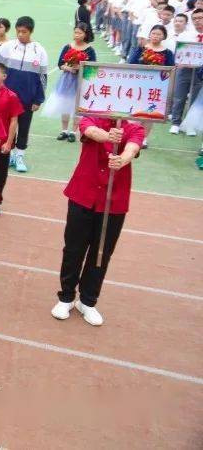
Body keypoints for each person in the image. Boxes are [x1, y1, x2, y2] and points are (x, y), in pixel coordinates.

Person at [52, 116, 145, 327]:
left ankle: (87, 301)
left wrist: (123, 159)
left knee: (101, 253)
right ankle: (66, 297)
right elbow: (89, 130)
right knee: (73, 250)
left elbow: (133, 146)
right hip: (82, 195)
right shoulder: (92, 118)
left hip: (114, 201)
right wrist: (108, 136)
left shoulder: (134, 128)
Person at [0, 16, 47, 173]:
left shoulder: (39, 51)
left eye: (24, 32)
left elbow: (43, 78)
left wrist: (39, 99)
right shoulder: (9, 46)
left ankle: (20, 156)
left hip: (27, 100)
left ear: (31, 31)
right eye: (18, 31)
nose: (21, 35)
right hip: (7, 99)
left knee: (23, 128)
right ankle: (8, 154)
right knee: (8, 128)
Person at [44, 23, 97, 142]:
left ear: (85, 34)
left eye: (80, 33)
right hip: (67, 80)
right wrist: (68, 68)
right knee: (65, 104)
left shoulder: (90, 50)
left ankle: (74, 131)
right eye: (75, 32)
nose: (77, 35)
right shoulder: (68, 47)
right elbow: (60, 64)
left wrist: (80, 68)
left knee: (77, 106)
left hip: (81, 81)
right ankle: (64, 130)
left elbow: (93, 68)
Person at [0, 63, 23, 215]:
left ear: (4, 76)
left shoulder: (11, 97)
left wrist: (9, 142)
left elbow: (14, 121)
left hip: (2, 142)